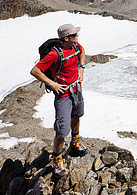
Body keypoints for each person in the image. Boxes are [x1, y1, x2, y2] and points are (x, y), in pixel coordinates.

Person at [30, 23, 86, 176]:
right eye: (74, 35)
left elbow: (82, 51)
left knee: (76, 115)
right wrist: (53, 84)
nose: (77, 37)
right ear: (66, 38)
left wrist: (81, 67)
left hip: (76, 89)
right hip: (63, 95)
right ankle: (57, 159)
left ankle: (75, 141)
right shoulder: (55, 54)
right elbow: (35, 71)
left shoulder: (75, 46)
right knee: (61, 130)